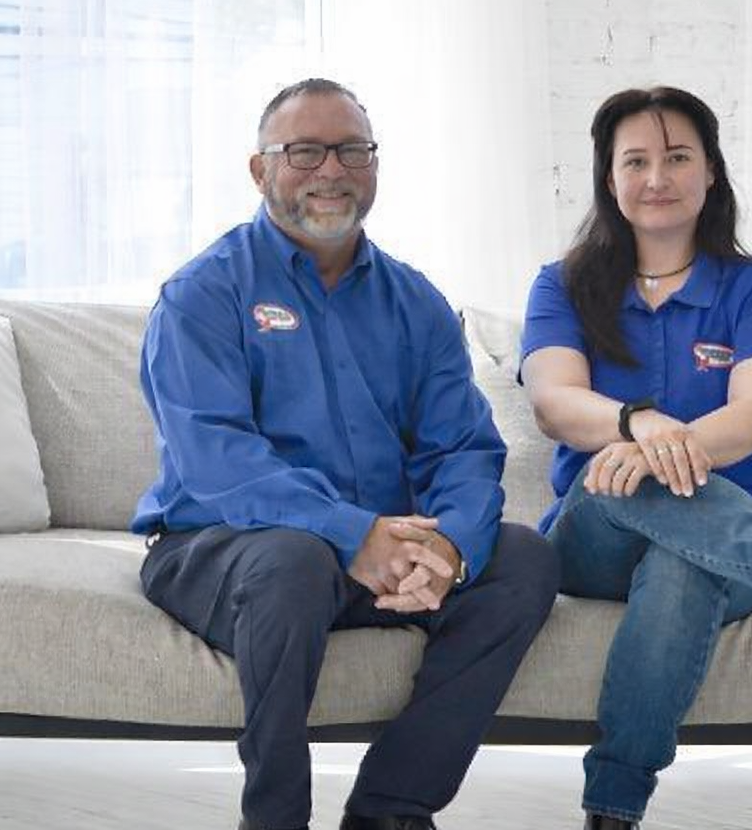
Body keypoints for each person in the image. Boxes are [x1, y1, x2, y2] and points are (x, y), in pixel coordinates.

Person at [132, 78, 560, 830]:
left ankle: (391, 810)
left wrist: (450, 548)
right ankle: (275, 818)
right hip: (221, 548)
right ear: (260, 170)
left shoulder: (415, 301)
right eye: (304, 151)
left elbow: (462, 447)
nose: (332, 169)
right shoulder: (204, 292)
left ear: (374, 165)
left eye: (352, 149)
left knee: (524, 559)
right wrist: (352, 533)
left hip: (379, 551)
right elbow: (216, 458)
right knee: (292, 558)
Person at [519, 86, 752, 830]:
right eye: (636, 160)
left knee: (682, 565)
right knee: (611, 482)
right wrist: (640, 428)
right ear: (609, 178)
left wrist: (660, 451)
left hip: (728, 544)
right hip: (593, 535)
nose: (656, 177)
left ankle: (612, 810)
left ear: (711, 172)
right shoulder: (561, 285)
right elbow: (554, 403)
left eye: (677, 157)